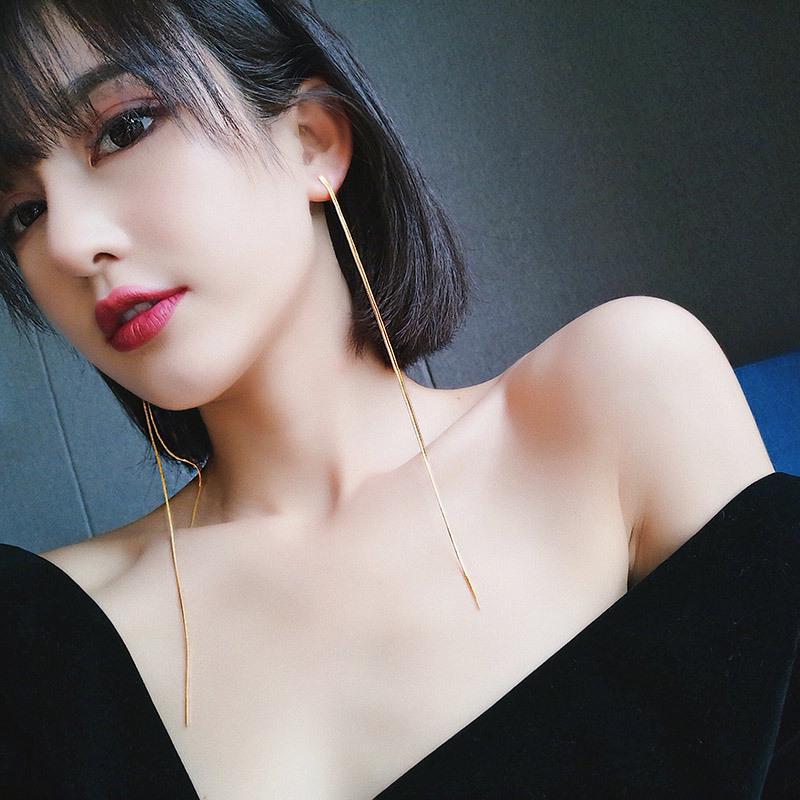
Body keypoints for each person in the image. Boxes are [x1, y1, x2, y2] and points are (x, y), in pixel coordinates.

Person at [0, 2, 797, 798]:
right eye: (22, 212)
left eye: (125, 129)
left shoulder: (612, 399)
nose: (68, 243)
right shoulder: (41, 638)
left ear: (311, 139)